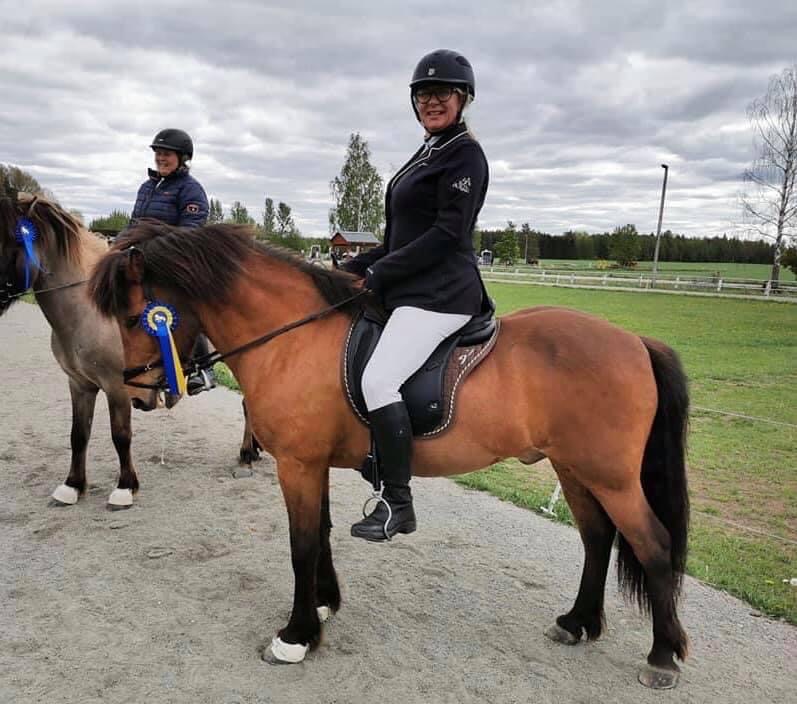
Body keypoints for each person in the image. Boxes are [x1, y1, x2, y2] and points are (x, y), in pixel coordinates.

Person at [342, 49, 490, 541]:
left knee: (380, 381)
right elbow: (403, 235)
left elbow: (448, 235)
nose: (432, 101)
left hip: (442, 293)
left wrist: (382, 270)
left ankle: (397, 503)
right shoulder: (429, 150)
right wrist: (356, 265)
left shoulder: (465, 154)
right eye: (423, 94)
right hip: (413, 287)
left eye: (442, 93)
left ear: (463, 98)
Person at [129, 128, 215, 395]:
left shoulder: (191, 189)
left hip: (173, 264)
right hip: (141, 263)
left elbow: (191, 229)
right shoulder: (146, 188)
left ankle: (203, 369)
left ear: (182, 158)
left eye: (166, 154)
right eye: (158, 153)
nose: (160, 158)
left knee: (186, 307)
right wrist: (114, 248)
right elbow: (133, 225)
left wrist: (153, 249)